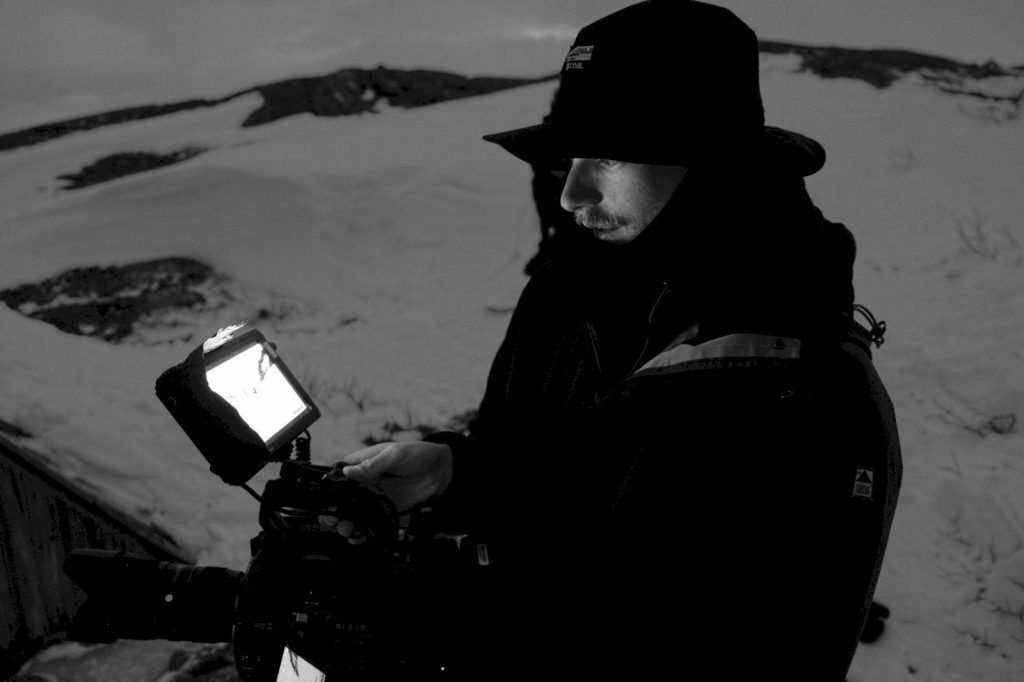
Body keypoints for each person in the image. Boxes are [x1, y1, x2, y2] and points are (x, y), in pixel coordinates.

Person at [340, 1, 902, 678]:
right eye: (572, 157)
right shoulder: (565, 293)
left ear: (712, 163)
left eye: (606, 156)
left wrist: (449, 632)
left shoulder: (809, 392)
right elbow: (552, 471)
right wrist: (458, 470)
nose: (572, 193)